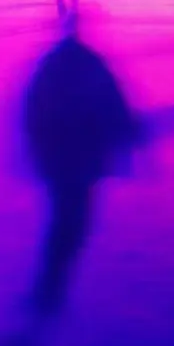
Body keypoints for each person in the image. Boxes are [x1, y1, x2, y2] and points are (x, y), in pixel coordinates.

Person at [21, 25, 145, 320]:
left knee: (66, 219)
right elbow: (114, 105)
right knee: (72, 221)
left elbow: (33, 113)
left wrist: (36, 150)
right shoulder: (92, 64)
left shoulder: (50, 67)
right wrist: (130, 134)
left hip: (61, 161)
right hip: (81, 160)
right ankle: (50, 285)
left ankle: (50, 285)